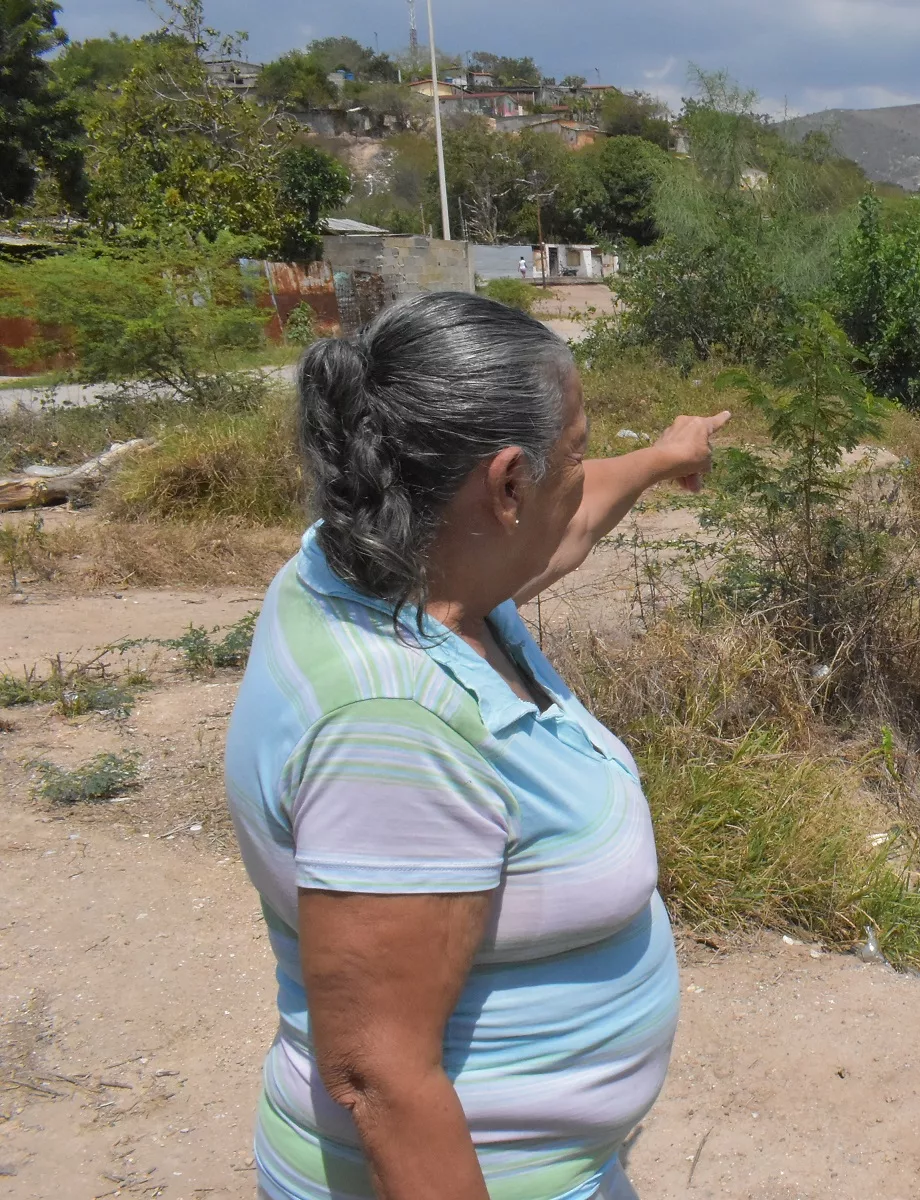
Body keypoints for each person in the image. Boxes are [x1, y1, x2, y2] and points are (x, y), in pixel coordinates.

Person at [223, 291, 729, 1200]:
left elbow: (565, 525)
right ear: (503, 488)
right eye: (573, 452)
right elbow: (379, 1077)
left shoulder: (386, 567)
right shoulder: (393, 724)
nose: (583, 473)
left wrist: (660, 457)